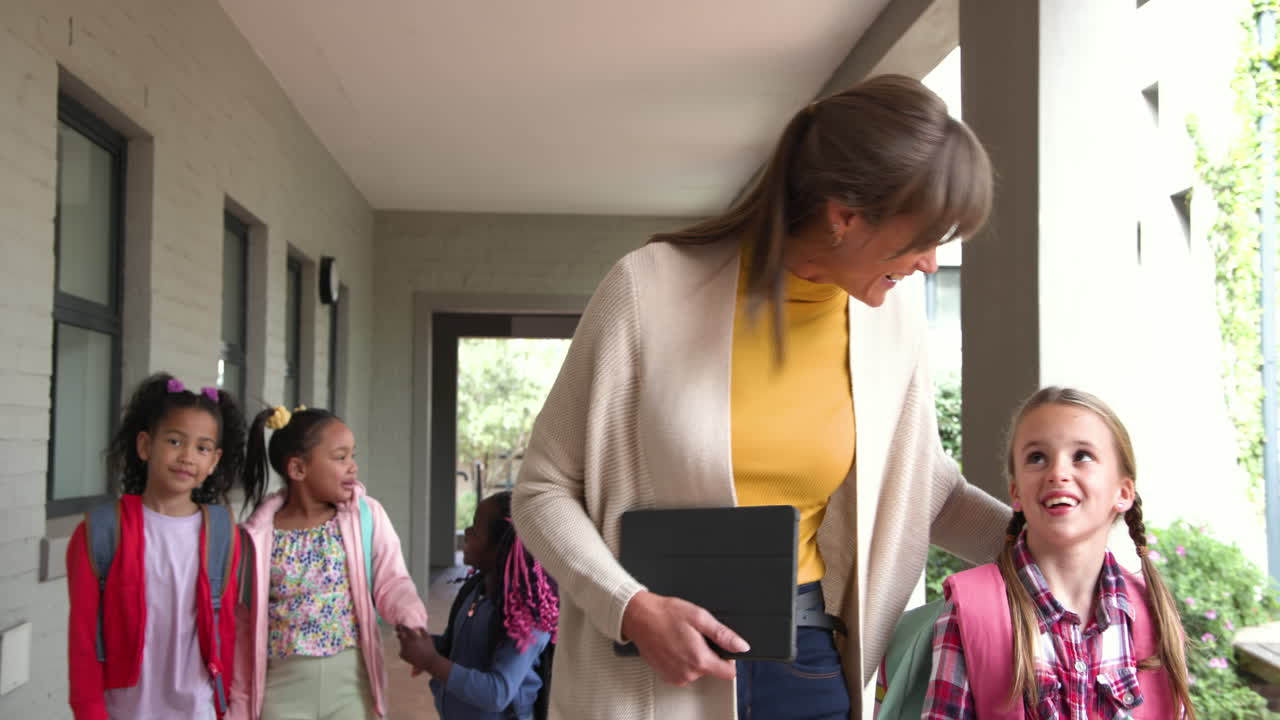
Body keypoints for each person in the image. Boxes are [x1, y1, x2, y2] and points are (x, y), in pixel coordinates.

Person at [510, 73, 1012, 720]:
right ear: (844, 217)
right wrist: (630, 608)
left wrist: (1051, 550)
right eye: (922, 239)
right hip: (653, 677)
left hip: (807, 663)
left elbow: (922, 487)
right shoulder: (647, 291)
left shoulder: (892, 321)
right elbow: (542, 488)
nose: (930, 264)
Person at [923, 387, 1194, 719]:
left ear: (1122, 493)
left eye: (1081, 456)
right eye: (1037, 458)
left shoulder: (1154, 615)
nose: (1057, 473)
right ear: (1016, 493)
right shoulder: (970, 611)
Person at [66, 373, 249, 720]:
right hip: (124, 710)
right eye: (175, 441)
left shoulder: (223, 534)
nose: (187, 456)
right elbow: (84, 640)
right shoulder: (101, 532)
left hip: (199, 709)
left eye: (202, 447)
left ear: (213, 462)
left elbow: (225, 625)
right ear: (145, 446)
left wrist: (227, 706)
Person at [229, 406, 428, 720]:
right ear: (297, 469)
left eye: (352, 455)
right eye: (340, 457)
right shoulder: (257, 537)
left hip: (351, 688)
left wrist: (410, 620)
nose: (353, 467)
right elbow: (242, 625)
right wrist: (238, 708)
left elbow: (393, 581)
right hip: (281, 691)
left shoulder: (365, 516)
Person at [396, 490, 557, 719]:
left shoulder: (527, 614)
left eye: (476, 528)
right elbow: (457, 648)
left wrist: (431, 661)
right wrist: (426, 644)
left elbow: (497, 692)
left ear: (502, 547)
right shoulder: (475, 589)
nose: (468, 533)